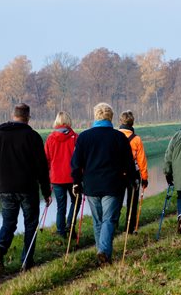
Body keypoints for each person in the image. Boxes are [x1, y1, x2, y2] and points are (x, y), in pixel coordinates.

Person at [0, 103, 52, 273]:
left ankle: (0, 247)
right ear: (28, 117)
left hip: (6, 188)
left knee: (9, 222)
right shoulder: (32, 136)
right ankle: (26, 262)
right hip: (28, 188)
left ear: (13, 115)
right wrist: (46, 191)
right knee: (30, 224)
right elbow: (41, 167)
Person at [71, 103, 137, 266]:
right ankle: (104, 251)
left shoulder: (84, 137)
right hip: (113, 185)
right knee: (109, 219)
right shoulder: (118, 137)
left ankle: (102, 251)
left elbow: (76, 163)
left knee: (98, 220)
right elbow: (128, 163)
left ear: (95, 116)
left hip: (92, 185)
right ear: (111, 117)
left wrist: (76, 181)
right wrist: (132, 179)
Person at [44, 111, 81, 238]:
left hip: (56, 178)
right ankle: (70, 224)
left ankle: (61, 231)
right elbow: (80, 158)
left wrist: (48, 177)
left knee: (61, 206)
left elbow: (47, 160)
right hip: (72, 177)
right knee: (76, 201)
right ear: (68, 121)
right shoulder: (75, 137)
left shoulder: (50, 138)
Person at [118, 110, 149, 234]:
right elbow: (141, 160)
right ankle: (129, 228)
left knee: (116, 200)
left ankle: (112, 225)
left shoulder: (115, 135)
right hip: (133, 174)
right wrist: (144, 177)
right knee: (132, 201)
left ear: (120, 122)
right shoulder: (136, 139)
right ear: (132, 123)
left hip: (117, 173)